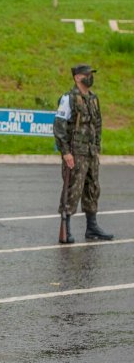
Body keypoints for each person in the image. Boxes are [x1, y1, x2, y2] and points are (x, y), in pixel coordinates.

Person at [54, 64, 113, 243]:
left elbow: (98, 125)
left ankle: (92, 227)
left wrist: (96, 147)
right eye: (87, 74)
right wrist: (66, 153)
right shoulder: (68, 98)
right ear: (77, 77)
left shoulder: (93, 98)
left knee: (92, 188)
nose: (90, 77)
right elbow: (59, 127)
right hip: (75, 152)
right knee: (73, 189)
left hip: (90, 153)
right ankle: (66, 227)